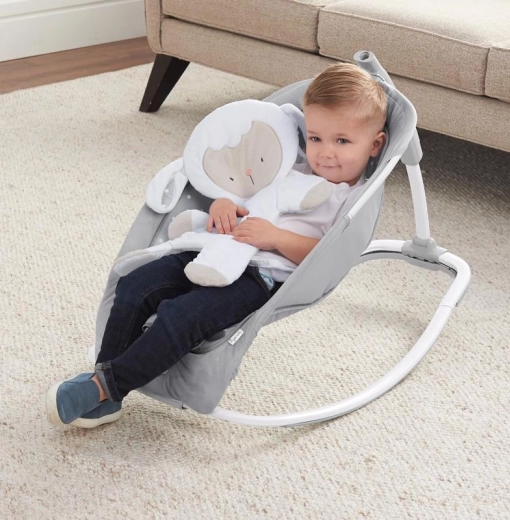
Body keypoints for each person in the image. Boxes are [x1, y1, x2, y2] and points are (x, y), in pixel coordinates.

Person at [45, 63, 387, 428]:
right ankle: (106, 394)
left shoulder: (351, 200)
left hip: (259, 277)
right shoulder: (288, 162)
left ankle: (103, 388)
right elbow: (241, 187)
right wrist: (223, 203)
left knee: (180, 316)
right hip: (212, 248)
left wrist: (275, 237)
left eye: (342, 141)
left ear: (374, 145)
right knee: (135, 284)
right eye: (316, 138)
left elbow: (327, 256)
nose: (325, 153)